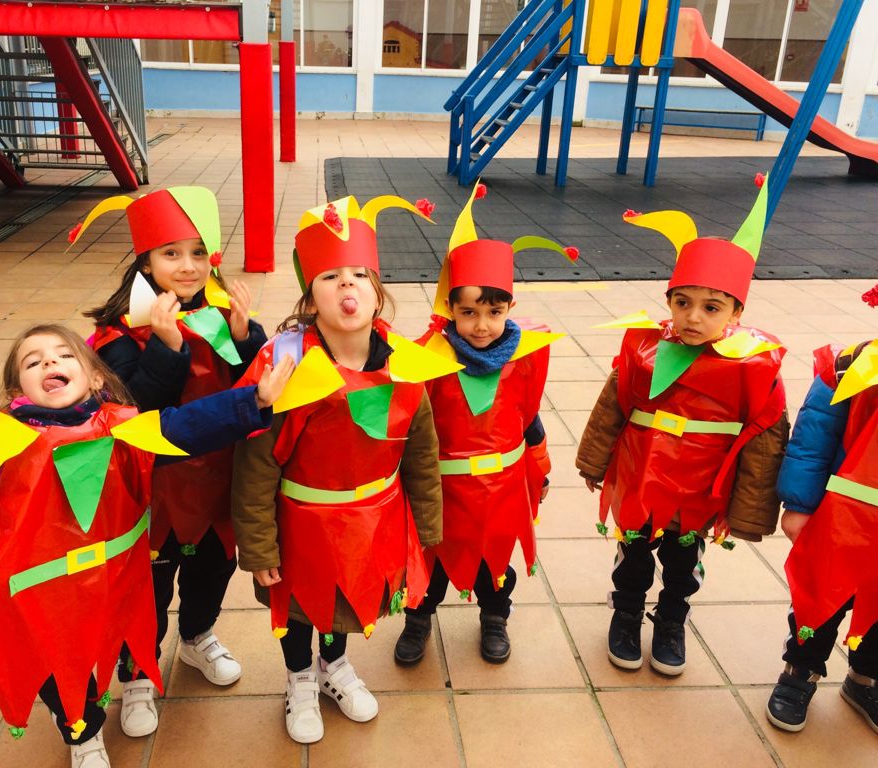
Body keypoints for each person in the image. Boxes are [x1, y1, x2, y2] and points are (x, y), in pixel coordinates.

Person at [0, 323, 292, 768]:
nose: (49, 362)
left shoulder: (126, 429)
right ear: (15, 388)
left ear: (96, 378)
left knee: (123, 640)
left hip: (115, 582)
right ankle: (82, 732)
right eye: (33, 360)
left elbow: (186, 426)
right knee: (59, 668)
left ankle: (137, 679)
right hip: (42, 595)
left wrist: (251, 399)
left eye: (64, 355)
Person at [230, 194, 450, 744]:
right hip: (301, 522)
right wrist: (259, 547)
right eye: (330, 275)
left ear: (378, 294)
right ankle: (299, 678)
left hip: (371, 518)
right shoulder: (289, 368)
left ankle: (335, 668)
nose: (347, 286)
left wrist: (426, 529)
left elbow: (422, 453)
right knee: (301, 607)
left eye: (359, 274)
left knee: (349, 600)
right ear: (311, 299)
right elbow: (256, 466)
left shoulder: (406, 366)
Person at [576, 175, 789, 677]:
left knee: (681, 564)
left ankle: (671, 618)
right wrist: (594, 462)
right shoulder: (644, 351)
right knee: (633, 557)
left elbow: (765, 439)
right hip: (640, 475)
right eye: (682, 302)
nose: (693, 317)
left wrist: (750, 510)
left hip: (698, 490)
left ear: (737, 311)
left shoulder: (755, 368)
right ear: (669, 300)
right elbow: (612, 406)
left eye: (711, 307)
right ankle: (627, 613)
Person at [76, 187, 267, 737]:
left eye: (198, 252)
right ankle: (136, 671)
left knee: (211, 572)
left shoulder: (219, 315)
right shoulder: (116, 337)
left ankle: (196, 637)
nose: (188, 266)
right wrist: (163, 346)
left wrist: (244, 336)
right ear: (145, 262)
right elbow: (132, 413)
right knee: (148, 590)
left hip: (217, 485)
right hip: (152, 495)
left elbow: (255, 390)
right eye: (171, 253)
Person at [394, 181, 574, 665]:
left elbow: (529, 418)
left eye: (493, 312)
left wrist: (539, 468)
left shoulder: (525, 356)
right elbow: (409, 426)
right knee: (430, 564)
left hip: (500, 485)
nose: (480, 325)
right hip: (442, 490)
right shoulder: (428, 358)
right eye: (468, 312)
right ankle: (418, 619)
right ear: (449, 308)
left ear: (509, 308)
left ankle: (495, 617)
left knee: (494, 565)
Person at [765, 297, 878, 734]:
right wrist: (799, 505)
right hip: (842, 519)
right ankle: (800, 672)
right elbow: (812, 441)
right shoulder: (849, 367)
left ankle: (865, 677)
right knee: (820, 604)